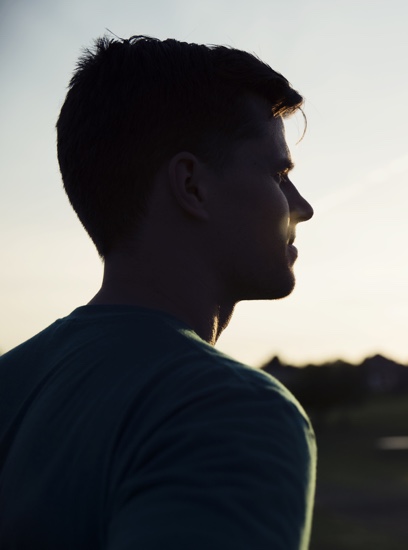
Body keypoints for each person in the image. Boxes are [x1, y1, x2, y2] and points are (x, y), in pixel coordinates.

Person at [0, 35, 315, 549]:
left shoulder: (11, 382)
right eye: (279, 174)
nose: (301, 206)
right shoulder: (227, 413)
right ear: (192, 185)